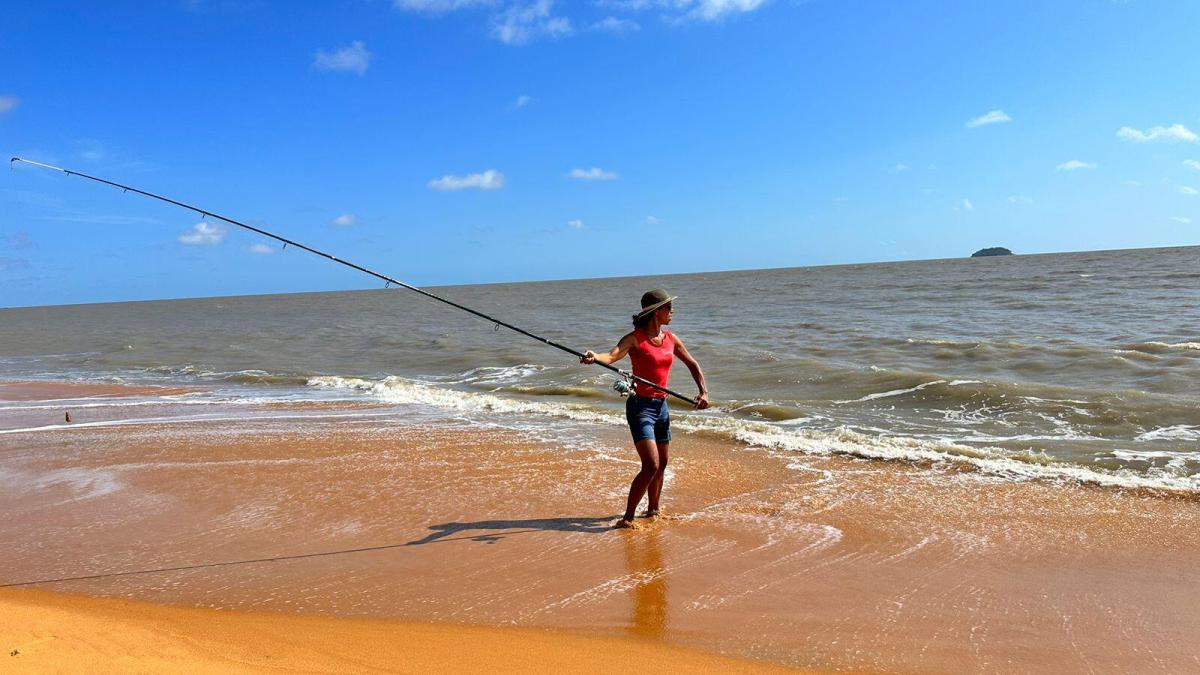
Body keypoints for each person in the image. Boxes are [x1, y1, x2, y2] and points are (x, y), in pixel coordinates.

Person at [581, 289, 710, 528]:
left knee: (662, 463)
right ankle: (627, 518)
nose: (672, 312)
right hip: (641, 407)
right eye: (669, 308)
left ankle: (653, 510)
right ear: (657, 311)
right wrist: (593, 356)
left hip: (661, 406)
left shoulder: (671, 339)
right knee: (650, 464)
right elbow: (610, 356)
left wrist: (703, 392)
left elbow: (693, 364)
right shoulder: (634, 339)